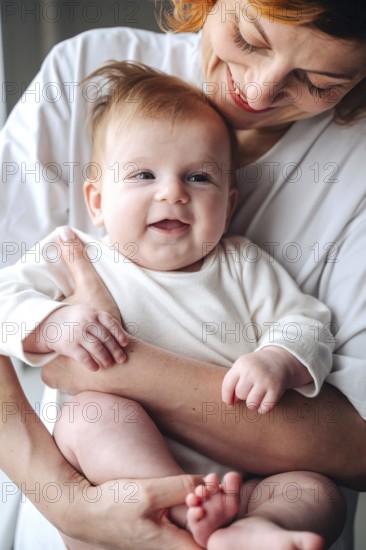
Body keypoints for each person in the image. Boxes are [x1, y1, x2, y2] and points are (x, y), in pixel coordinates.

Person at [0, 1, 365, 549]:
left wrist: (278, 359)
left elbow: (304, 323)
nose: (260, 92)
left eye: (317, 81)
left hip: (245, 480)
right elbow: (6, 293)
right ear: (95, 201)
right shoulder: (78, 251)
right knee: (95, 415)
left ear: (231, 201)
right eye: (248, 38)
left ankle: (250, 532)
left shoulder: (241, 262)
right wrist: (50, 324)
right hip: (113, 487)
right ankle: (166, 501)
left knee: (312, 491)